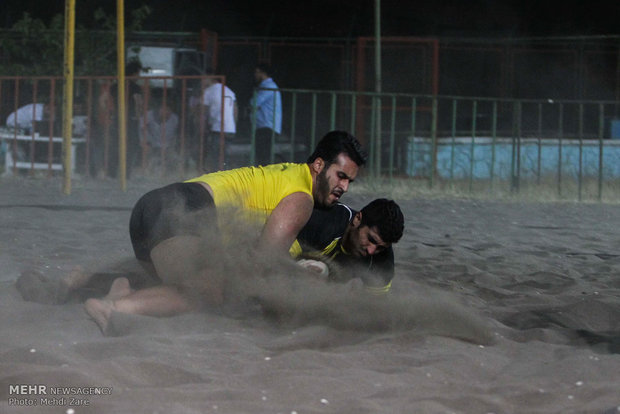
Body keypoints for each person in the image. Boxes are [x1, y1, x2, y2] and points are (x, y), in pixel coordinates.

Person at [84, 130, 367, 333]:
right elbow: (265, 261)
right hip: (182, 212)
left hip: (155, 206)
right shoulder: (302, 198)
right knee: (209, 294)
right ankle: (114, 309)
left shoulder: (287, 173)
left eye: (350, 181)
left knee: (191, 281)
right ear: (319, 165)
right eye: (340, 176)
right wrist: (301, 275)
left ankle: (120, 287)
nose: (344, 187)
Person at [293, 199, 405, 294]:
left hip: (330, 286)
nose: (371, 251)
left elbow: (374, 306)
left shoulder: (382, 259)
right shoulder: (322, 220)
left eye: (380, 248)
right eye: (371, 239)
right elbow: (277, 255)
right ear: (357, 219)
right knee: (317, 270)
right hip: (294, 266)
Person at [200, 75, 237, 171]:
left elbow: (203, 112)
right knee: (225, 156)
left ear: (209, 78)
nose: (202, 82)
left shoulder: (208, 91)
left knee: (216, 156)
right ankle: (226, 174)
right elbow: (235, 111)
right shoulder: (229, 91)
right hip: (230, 128)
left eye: (203, 79)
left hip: (218, 128)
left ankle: (217, 176)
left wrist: (202, 127)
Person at [251, 63, 282, 166]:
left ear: (262, 73)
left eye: (256, 72)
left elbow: (254, 102)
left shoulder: (268, 87)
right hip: (266, 125)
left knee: (263, 156)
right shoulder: (268, 86)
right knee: (263, 154)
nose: (255, 75)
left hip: (267, 125)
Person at [143, 100, 179, 171]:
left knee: (175, 158)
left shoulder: (175, 118)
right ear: (159, 109)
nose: (166, 112)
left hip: (168, 146)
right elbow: (142, 130)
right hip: (152, 144)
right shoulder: (148, 116)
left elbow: (175, 135)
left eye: (168, 110)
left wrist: (172, 146)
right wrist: (147, 142)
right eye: (164, 109)